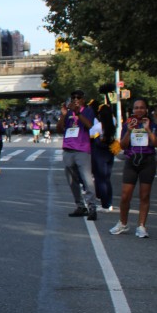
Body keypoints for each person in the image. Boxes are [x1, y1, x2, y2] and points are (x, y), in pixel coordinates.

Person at [110, 98, 157, 239]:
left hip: (147, 161)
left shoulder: (152, 124)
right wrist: (128, 131)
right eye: (136, 107)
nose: (139, 110)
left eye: (142, 107)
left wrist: (148, 130)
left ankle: (141, 226)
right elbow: (122, 145)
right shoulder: (128, 124)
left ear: (146, 109)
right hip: (131, 161)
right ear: (133, 110)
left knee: (144, 196)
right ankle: (123, 223)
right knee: (125, 195)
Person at [56, 88, 98, 221]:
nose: (75, 100)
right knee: (72, 181)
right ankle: (80, 206)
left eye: (78, 98)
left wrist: (78, 112)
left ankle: (92, 207)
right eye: (73, 98)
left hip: (82, 150)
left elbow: (89, 125)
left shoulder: (87, 111)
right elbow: (59, 129)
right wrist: (63, 115)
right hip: (68, 149)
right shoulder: (68, 112)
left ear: (83, 100)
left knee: (87, 180)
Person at [90, 101, 117, 212]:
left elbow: (93, 140)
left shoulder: (97, 127)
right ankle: (109, 203)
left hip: (99, 154)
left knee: (100, 179)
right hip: (110, 153)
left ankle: (105, 204)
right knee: (107, 179)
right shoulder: (113, 125)